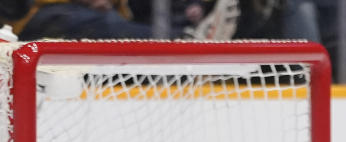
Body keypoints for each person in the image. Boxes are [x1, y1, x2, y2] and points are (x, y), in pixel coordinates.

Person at [12, 0, 238, 41]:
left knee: (110, 22)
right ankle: (184, 40)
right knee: (105, 25)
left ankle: (186, 32)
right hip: (41, 18)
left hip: (105, 15)